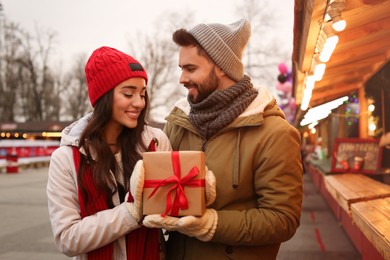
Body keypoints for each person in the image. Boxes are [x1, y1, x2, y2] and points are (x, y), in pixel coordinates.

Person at [142, 19, 303, 259]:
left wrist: (211, 224)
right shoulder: (177, 123)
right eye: (181, 69)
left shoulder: (275, 134)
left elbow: (282, 219)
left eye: (191, 69)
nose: (182, 79)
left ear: (221, 67)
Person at [47, 46, 172, 259]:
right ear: (103, 97)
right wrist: (130, 214)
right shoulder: (67, 158)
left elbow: (172, 213)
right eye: (128, 93)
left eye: (142, 94)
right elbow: (67, 238)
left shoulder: (155, 141)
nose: (139, 103)